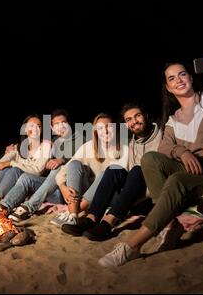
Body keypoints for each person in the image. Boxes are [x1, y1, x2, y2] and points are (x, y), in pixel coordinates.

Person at [99, 53, 203, 267]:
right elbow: (165, 147)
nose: (178, 80)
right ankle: (170, 224)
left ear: (191, 78)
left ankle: (133, 246)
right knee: (150, 159)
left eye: (182, 74)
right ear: (168, 87)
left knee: (177, 180)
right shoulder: (174, 119)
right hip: (200, 169)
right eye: (172, 78)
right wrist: (183, 153)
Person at [62, 102, 161, 240]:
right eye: (129, 119)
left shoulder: (163, 138)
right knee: (114, 169)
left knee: (138, 170)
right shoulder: (133, 144)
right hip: (127, 195)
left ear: (146, 116)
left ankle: (107, 224)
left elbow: (154, 179)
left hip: (147, 198)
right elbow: (126, 178)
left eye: (137, 116)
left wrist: (126, 200)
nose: (134, 121)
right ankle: (91, 219)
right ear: (126, 124)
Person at [2, 109, 85, 222]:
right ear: (52, 128)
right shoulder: (53, 142)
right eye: (56, 124)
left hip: (70, 190)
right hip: (53, 190)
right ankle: (4, 207)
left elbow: (79, 161)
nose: (61, 126)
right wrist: (14, 147)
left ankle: (29, 207)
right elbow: (35, 146)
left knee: (59, 167)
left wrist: (62, 159)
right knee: (26, 178)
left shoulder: (80, 139)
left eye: (64, 122)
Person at [57, 113, 129, 229]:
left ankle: (75, 210)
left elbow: (123, 180)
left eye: (109, 127)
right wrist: (63, 187)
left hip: (110, 196)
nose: (105, 131)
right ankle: (74, 216)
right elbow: (64, 169)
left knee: (105, 173)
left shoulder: (124, 149)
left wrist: (78, 205)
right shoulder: (88, 147)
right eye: (100, 128)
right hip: (87, 194)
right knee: (74, 164)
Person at [0, 114, 51, 212]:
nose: (35, 128)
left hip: (29, 185)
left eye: (39, 126)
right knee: (3, 170)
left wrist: (12, 163)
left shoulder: (46, 147)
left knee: (14, 170)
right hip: (10, 185)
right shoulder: (18, 147)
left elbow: (37, 171)